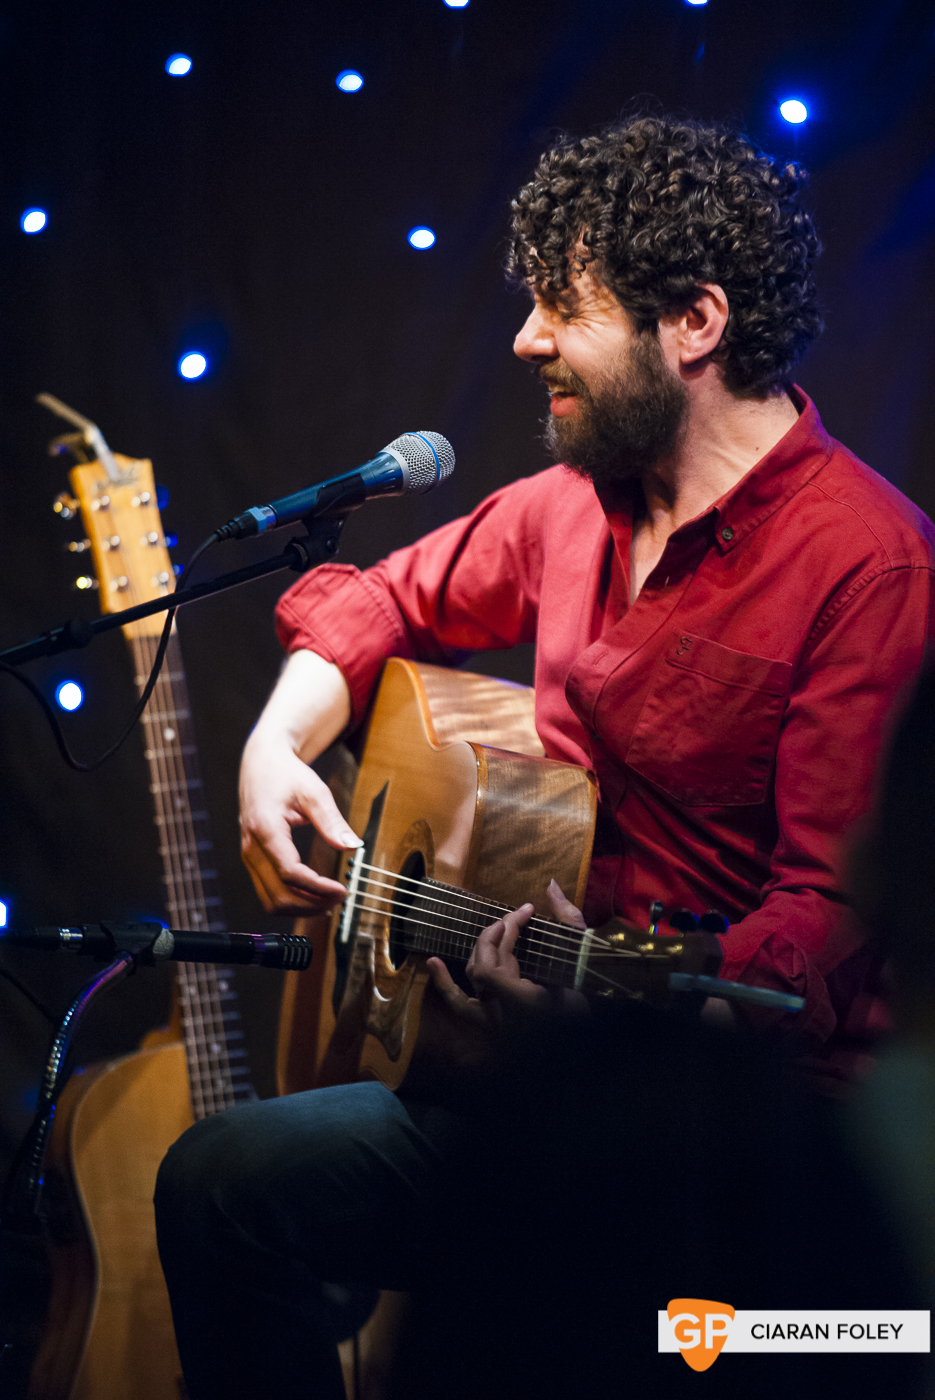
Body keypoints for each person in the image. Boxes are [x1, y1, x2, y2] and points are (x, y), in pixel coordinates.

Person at [155, 115, 935, 1399]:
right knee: (222, 1183)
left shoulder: (870, 566)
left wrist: (609, 1008)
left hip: (748, 1147)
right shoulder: (574, 503)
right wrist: (274, 744)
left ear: (693, 322)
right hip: (548, 1081)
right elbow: (382, 600)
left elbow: (822, 922)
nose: (523, 340)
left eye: (559, 308)